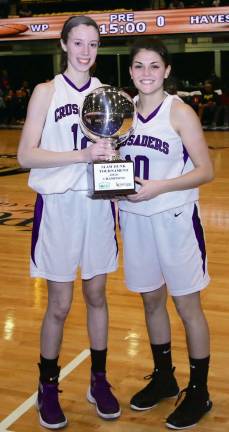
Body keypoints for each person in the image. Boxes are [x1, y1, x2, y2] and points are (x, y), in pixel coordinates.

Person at [17, 15, 121, 430]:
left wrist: (111, 157)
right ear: (63, 45)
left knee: (97, 294)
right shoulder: (46, 92)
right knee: (59, 304)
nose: (84, 52)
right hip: (58, 206)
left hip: (97, 206)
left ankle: (99, 380)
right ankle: (47, 385)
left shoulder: (108, 95)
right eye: (77, 43)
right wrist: (81, 156)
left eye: (92, 44)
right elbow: (26, 155)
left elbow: (111, 153)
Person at [118, 37, 214, 430]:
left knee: (187, 307)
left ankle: (200, 391)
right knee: (151, 302)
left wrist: (160, 186)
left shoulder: (180, 112)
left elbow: (206, 170)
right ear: (130, 72)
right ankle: (164, 377)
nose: (146, 73)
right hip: (135, 218)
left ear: (167, 71)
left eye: (154, 66)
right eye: (139, 66)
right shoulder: (120, 114)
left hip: (174, 218)